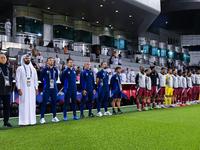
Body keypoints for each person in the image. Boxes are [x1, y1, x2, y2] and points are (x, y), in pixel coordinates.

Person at [15, 55, 38, 125]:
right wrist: (18, 88)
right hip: (23, 89)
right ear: (23, 60)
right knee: (23, 104)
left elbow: (35, 79)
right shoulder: (20, 69)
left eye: (28, 58)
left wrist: (36, 88)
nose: (28, 59)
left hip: (31, 90)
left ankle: (32, 121)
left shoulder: (33, 69)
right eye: (26, 58)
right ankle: (23, 121)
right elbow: (17, 80)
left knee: (31, 104)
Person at [39, 57, 60, 124]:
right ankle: (42, 118)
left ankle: (54, 117)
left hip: (54, 89)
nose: (51, 61)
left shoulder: (55, 69)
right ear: (47, 62)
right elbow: (41, 78)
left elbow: (56, 78)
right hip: (47, 89)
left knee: (54, 103)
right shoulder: (45, 69)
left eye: (52, 60)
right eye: (50, 60)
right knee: (44, 103)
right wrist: (45, 84)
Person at [0, 54, 13, 127]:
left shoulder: (9, 68)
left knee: (7, 107)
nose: (2, 59)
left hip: (7, 91)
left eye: (4, 58)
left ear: (6, 59)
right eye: (1, 58)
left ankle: (6, 122)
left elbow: (10, 79)